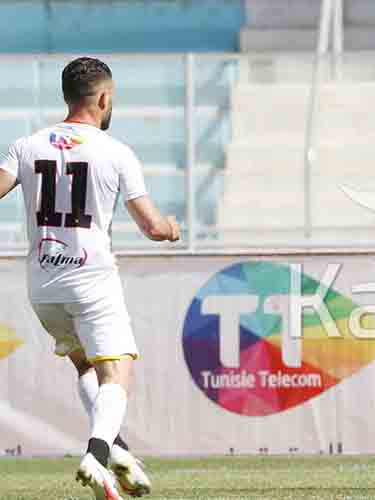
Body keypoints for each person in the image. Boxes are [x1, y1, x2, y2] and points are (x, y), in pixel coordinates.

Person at [0, 57, 180, 499]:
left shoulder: (26, 146)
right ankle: (97, 454)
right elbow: (153, 228)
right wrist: (172, 227)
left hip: (43, 284)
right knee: (117, 373)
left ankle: (117, 451)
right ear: (103, 98)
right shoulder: (115, 151)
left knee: (85, 364)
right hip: (91, 279)